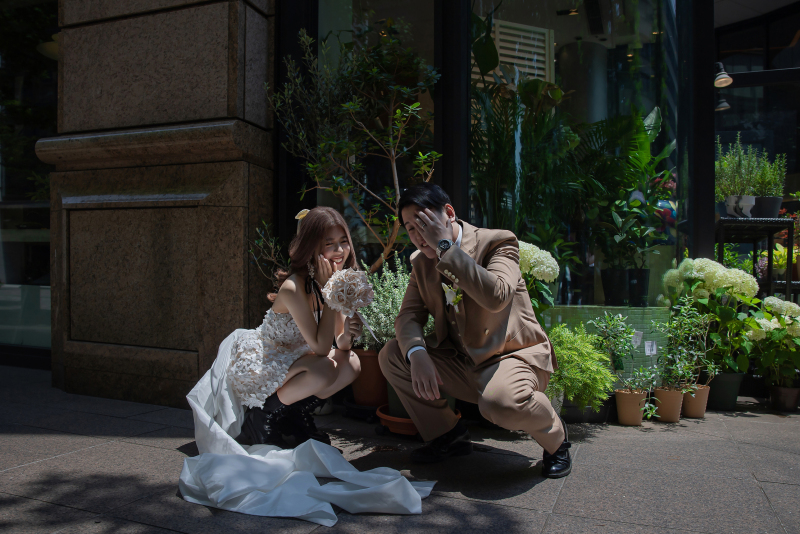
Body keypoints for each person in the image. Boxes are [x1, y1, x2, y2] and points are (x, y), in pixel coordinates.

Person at [378, 183, 572, 478]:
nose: (418, 236)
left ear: (449, 214)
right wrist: (417, 353)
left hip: (512, 358)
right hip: (463, 362)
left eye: (424, 224)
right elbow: (408, 317)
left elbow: (497, 297)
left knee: (501, 403)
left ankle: (556, 440)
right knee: (393, 353)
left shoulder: (498, 242)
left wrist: (445, 249)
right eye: (410, 228)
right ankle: (447, 436)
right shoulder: (420, 263)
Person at [225, 206, 363, 448]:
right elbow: (321, 348)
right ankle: (261, 417)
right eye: (329, 243)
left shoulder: (334, 280)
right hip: (268, 361)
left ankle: (293, 414)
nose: (340, 251)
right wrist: (330, 291)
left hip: (300, 358)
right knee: (324, 369)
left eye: (343, 241)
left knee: (351, 363)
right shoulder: (293, 287)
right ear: (312, 247)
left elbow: (339, 341)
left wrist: (350, 334)